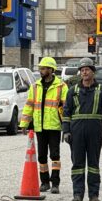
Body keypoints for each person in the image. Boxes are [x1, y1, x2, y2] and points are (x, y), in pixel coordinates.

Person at [61, 57, 102, 201]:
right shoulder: (72, 91)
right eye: (82, 70)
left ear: (93, 72)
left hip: (95, 131)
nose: (84, 72)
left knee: (94, 164)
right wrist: (66, 131)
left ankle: (94, 196)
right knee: (78, 165)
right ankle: (77, 195)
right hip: (76, 132)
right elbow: (66, 112)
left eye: (87, 69)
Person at [19, 56, 68, 193]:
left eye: (45, 68)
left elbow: (66, 107)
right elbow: (29, 106)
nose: (42, 70)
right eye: (41, 68)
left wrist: (66, 125)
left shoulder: (61, 86)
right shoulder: (35, 87)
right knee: (41, 156)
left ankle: (55, 183)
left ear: (51, 70)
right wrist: (24, 123)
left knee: (54, 155)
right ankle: (45, 182)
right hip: (39, 126)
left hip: (54, 126)